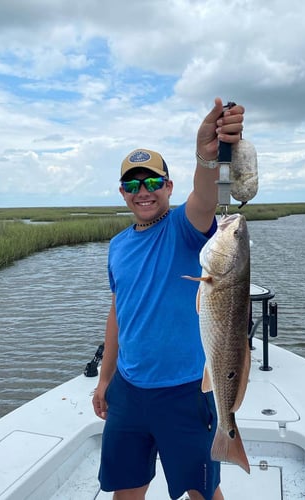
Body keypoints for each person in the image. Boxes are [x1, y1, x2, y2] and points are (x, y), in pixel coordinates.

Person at [92, 98, 245, 500]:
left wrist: (208, 156)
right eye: (133, 184)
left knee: (202, 493)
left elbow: (206, 197)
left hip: (185, 393)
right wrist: (106, 379)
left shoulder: (185, 227)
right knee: (125, 490)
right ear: (123, 192)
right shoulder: (117, 246)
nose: (144, 192)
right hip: (128, 390)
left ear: (169, 186)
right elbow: (118, 313)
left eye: (154, 182)